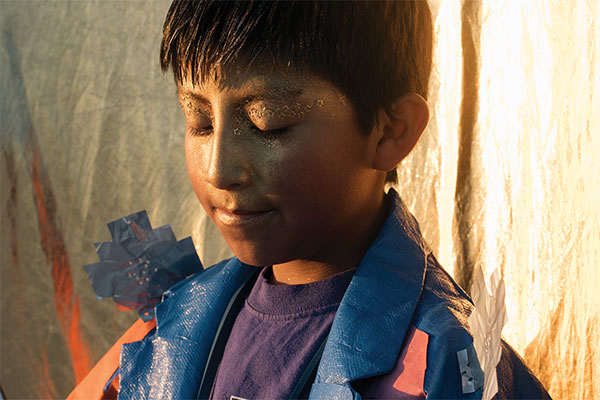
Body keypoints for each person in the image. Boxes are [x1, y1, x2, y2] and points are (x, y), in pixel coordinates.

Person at [69, 1, 550, 399]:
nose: (219, 169)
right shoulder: (174, 323)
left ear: (390, 131)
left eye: (267, 124)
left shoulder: (443, 363)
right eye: (199, 122)